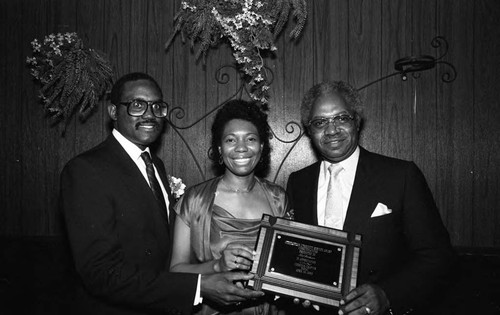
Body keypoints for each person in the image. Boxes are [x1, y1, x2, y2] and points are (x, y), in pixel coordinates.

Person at [60, 72, 264, 315]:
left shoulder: (154, 164)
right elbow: (100, 273)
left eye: (157, 106)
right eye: (137, 105)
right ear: (113, 112)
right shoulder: (86, 170)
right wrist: (198, 287)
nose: (150, 114)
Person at [286, 81, 455, 315]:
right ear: (309, 130)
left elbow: (437, 257)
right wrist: (297, 287)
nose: (332, 129)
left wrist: (387, 295)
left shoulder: (401, 176)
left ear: (357, 121)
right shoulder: (298, 182)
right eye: (320, 122)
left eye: (341, 118)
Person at [170, 99, 290, 315]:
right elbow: (176, 271)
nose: (241, 148)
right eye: (231, 140)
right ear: (219, 148)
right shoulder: (195, 200)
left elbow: (288, 268)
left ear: (262, 147)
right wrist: (216, 266)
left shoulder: (278, 199)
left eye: (251, 139)